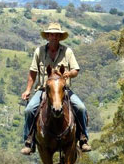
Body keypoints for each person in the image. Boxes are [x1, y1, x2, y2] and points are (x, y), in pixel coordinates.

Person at [20, 22, 91, 155]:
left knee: (80, 108)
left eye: (57, 35)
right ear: (47, 36)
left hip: (63, 90)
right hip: (43, 89)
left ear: (60, 37)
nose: (54, 37)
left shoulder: (67, 52)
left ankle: (83, 138)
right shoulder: (39, 51)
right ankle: (29, 141)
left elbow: (76, 69)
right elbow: (32, 73)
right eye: (51, 34)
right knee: (29, 110)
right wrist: (28, 90)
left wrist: (69, 74)